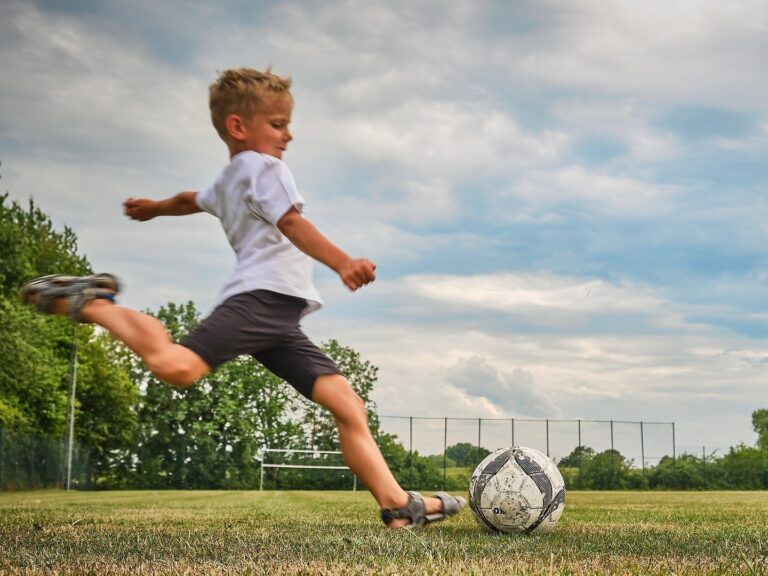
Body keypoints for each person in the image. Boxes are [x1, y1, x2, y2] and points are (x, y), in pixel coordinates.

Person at [22, 67, 464, 529]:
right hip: (260, 301)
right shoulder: (264, 168)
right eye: (277, 124)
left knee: (347, 405)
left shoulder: (229, 179)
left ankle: (400, 507)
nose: (288, 135)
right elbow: (292, 223)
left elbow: (189, 198)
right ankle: (92, 302)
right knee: (178, 365)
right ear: (238, 127)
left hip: (278, 317)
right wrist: (342, 262)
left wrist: (153, 208)